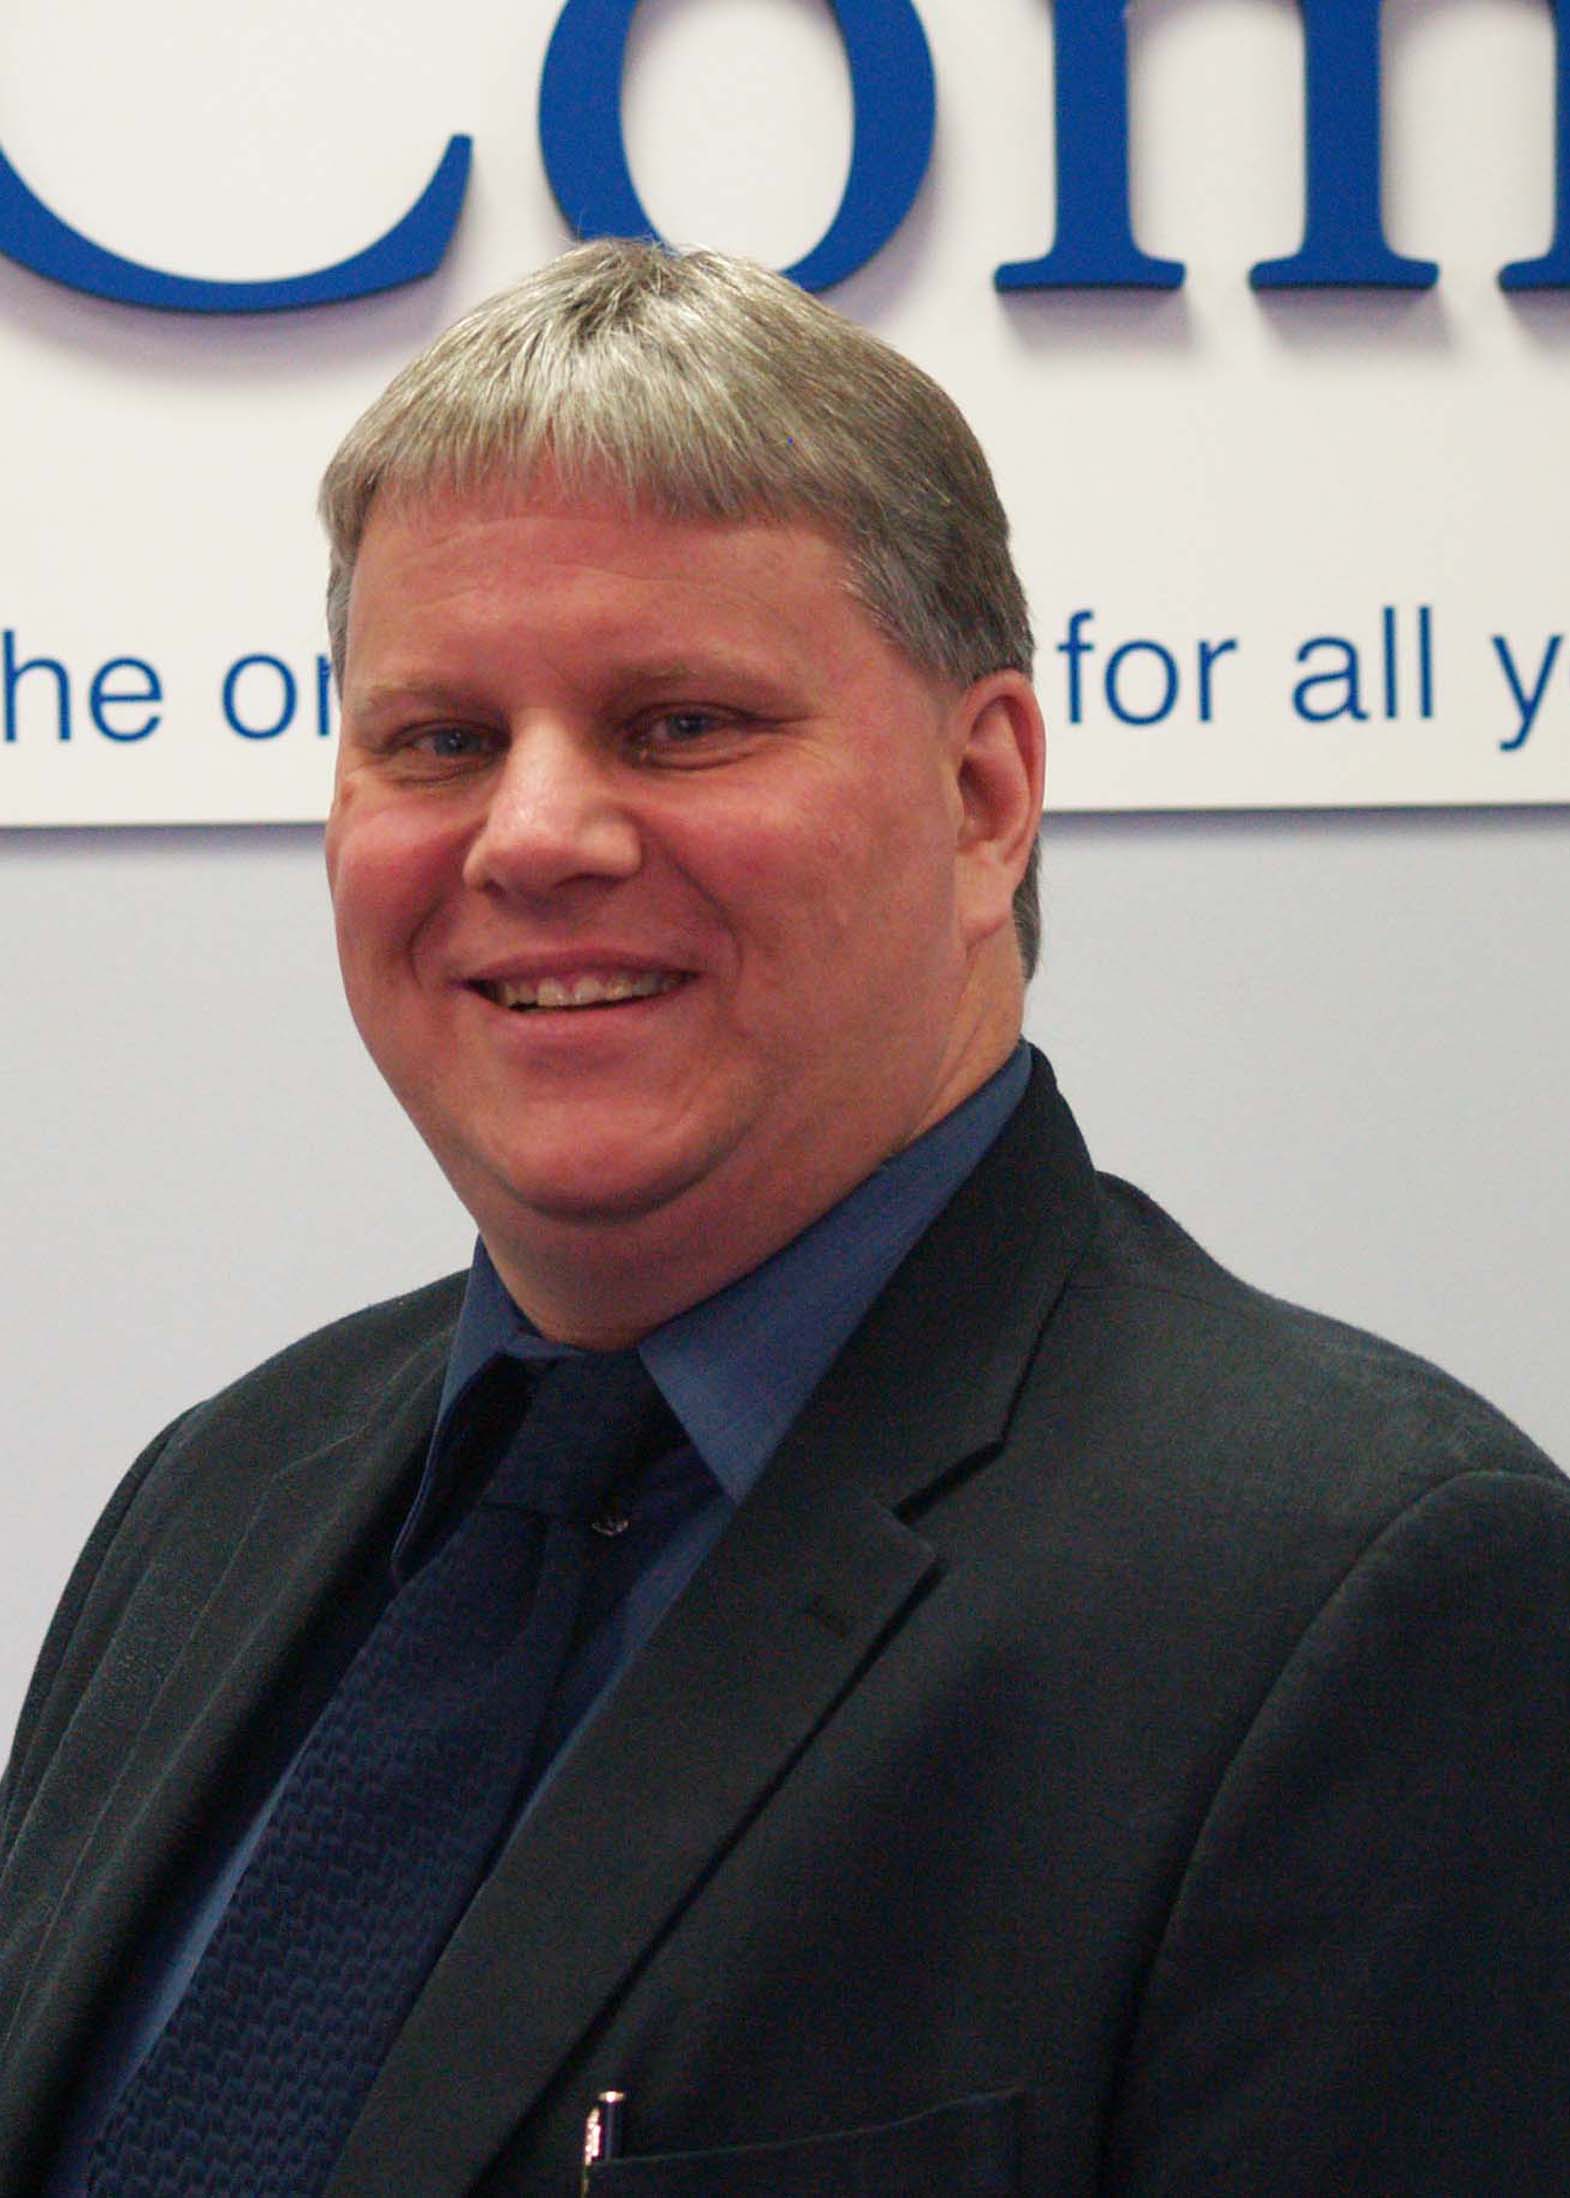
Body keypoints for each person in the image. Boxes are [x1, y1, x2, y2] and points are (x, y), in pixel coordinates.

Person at [2, 241, 1568, 2198]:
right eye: (440, 740)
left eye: (678, 723)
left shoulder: (1361, 1608)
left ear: (983, 794)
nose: (534, 834)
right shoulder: (214, 1501)